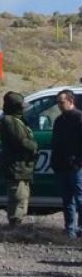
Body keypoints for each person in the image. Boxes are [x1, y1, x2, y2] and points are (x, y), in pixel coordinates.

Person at [0, 91, 37, 226]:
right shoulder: (10, 121)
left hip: (20, 167)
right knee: (17, 197)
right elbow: (21, 141)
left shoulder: (15, 120)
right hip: (16, 167)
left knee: (22, 196)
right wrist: (34, 147)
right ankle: (14, 226)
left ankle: (16, 223)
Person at [51, 89, 82, 238]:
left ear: (71, 101)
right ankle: (70, 230)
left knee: (80, 199)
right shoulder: (59, 120)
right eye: (57, 103)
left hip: (76, 168)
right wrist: (54, 162)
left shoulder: (79, 118)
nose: (59, 105)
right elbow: (55, 143)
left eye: (61, 102)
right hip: (61, 166)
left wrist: (78, 162)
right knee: (67, 201)